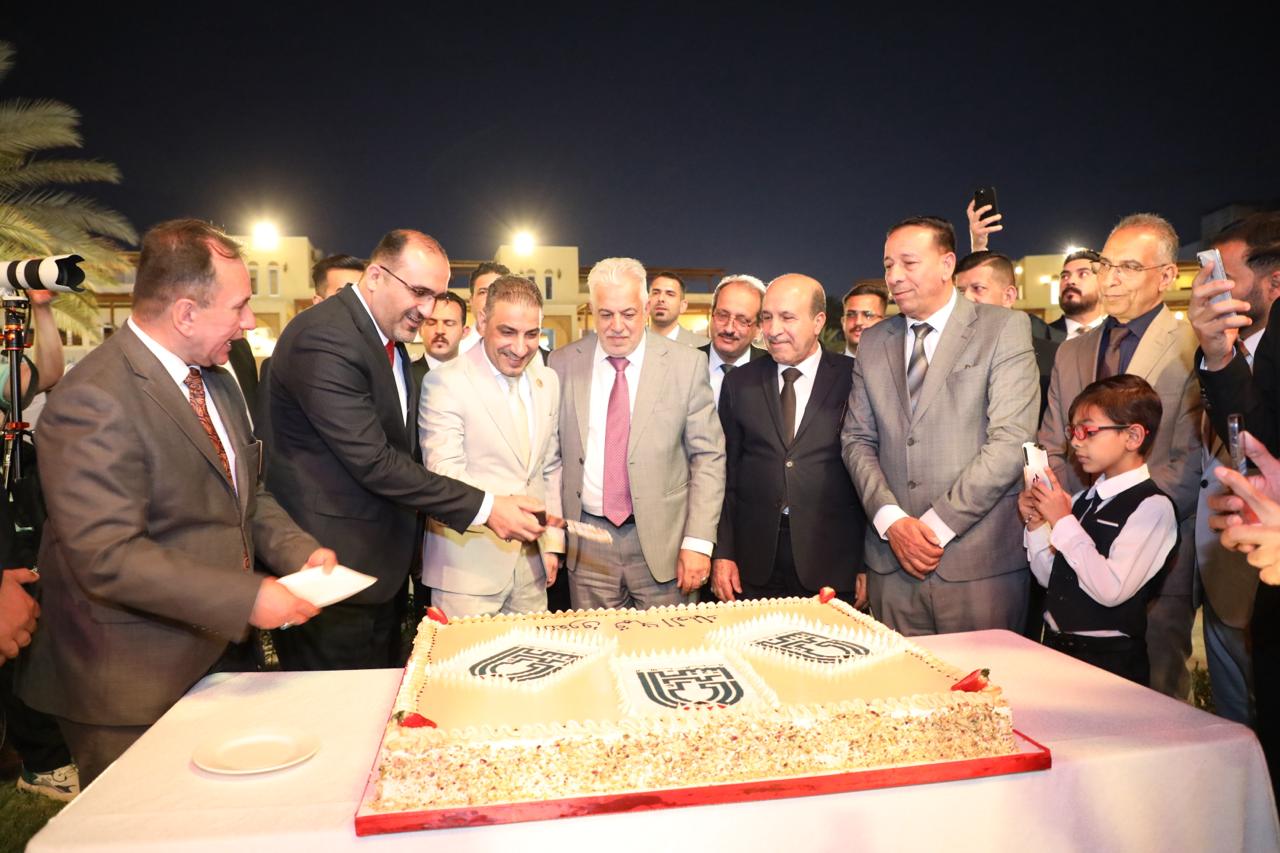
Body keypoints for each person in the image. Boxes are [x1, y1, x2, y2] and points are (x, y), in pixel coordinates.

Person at [16, 219, 334, 788]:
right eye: (238, 307)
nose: (249, 322)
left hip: (218, 656)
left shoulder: (216, 378)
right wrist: (247, 597)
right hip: (130, 682)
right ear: (186, 313)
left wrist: (298, 551)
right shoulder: (93, 398)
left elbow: (244, 492)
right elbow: (108, 556)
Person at [265, 229, 544, 670]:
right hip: (331, 572)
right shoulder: (326, 336)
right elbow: (375, 462)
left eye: (436, 296)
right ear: (376, 276)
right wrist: (488, 507)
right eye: (419, 292)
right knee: (339, 705)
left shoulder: (387, 343)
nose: (428, 310)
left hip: (379, 573)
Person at [842, 216, 1038, 635]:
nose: (894, 277)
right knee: (901, 679)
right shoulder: (874, 341)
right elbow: (856, 439)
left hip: (978, 565)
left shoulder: (1002, 328)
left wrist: (932, 529)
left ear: (947, 264)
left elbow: (1011, 441)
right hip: (892, 565)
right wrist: (892, 521)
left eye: (908, 263)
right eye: (888, 265)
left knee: (989, 678)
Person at [1038, 213, 1202, 698]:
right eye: (1107, 265)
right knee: (1072, 697)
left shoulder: (1194, 347)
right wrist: (1068, 519)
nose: (1110, 279)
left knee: (1158, 693)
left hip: (1155, 546)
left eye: (1129, 267)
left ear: (1166, 276)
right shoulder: (1072, 351)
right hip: (1068, 546)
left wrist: (1123, 514)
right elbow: (1054, 443)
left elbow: (1191, 458)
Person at [549, 257, 724, 609]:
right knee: (595, 643)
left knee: (667, 643)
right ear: (592, 311)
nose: (617, 326)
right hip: (588, 545)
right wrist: (553, 540)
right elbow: (551, 457)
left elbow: (708, 457)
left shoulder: (686, 364)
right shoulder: (561, 363)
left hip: (665, 545)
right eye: (606, 314)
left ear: (645, 309)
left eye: (628, 314)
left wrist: (698, 542)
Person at [712, 274, 865, 606]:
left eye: (787, 317)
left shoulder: (855, 377)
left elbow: (869, 471)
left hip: (834, 561)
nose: (773, 329)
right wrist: (723, 552)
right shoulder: (739, 383)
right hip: (753, 564)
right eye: (767, 317)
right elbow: (725, 475)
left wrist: (867, 563)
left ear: (818, 321)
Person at [419, 275, 564, 617]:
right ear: (482, 322)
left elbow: (548, 466)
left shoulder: (548, 381)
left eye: (532, 334)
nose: (520, 348)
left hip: (532, 568)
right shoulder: (445, 381)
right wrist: (496, 511)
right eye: (508, 332)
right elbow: (443, 473)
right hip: (466, 571)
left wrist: (551, 542)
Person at [1021, 375, 1177, 685]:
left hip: (1108, 663)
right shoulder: (1083, 500)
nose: (1076, 441)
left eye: (1088, 431)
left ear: (1133, 436)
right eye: (1073, 431)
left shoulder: (1153, 508)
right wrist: (1038, 524)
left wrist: (1062, 521)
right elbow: (1054, 579)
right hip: (1056, 650)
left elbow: (1110, 589)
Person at [1188, 213, 1280, 725]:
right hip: (1230, 567)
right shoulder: (1216, 353)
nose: (1211, 290)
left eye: (1225, 277)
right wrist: (1218, 354)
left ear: (1273, 282)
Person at [698, 273, 766, 407]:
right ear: (712, 315)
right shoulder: (683, 366)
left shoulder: (773, 372)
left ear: (759, 327)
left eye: (742, 320)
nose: (729, 329)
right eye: (722, 315)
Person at [1049, 249, 1106, 339]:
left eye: (1083, 274)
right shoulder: (1036, 338)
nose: (1070, 281)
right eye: (1065, 276)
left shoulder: (1120, 337)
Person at [648, 270, 710, 347]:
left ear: (682, 306)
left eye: (670, 294)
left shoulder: (703, 346)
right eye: (655, 293)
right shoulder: (635, 342)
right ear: (647, 302)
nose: (661, 298)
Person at [458, 261, 509, 354]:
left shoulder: (527, 351)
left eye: (497, 292)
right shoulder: (454, 350)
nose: (489, 298)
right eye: (483, 292)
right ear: (471, 301)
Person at [840, 281, 888, 357]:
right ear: (843, 322)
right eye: (851, 315)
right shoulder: (824, 364)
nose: (858, 322)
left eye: (868, 315)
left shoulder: (900, 364)